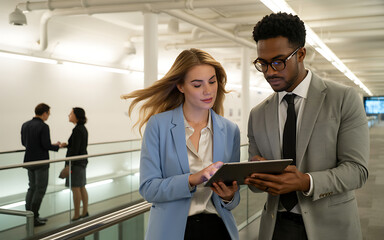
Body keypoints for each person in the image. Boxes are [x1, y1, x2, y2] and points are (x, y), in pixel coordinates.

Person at [244, 12, 369, 240]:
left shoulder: (343, 99)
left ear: (301, 54)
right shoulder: (258, 114)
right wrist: (256, 175)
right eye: (262, 63)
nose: (270, 72)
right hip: (275, 227)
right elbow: (253, 185)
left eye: (278, 62)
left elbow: (357, 171)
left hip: (331, 227)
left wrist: (305, 182)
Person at [121, 48, 241, 240]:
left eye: (212, 81)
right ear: (180, 86)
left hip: (218, 230)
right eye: (197, 85)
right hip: (171, 231)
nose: (208, 90)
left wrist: (228, 196)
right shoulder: (158, 125)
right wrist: (192, 179)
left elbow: (233, 199)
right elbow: (149, 189)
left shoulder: (230, 130)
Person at [21, 103, 60, 227]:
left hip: (29, 160)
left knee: (31, 188)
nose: (48, 116)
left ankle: (30, 216)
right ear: (44, 113)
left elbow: (24, 143)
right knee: (40, 189)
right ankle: (34, 216)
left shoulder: (25, 125)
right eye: (48, 113)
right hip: (41, 162)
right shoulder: (44, 126)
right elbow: (46, 145)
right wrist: (57, 146)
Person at [60, 107, 89, 221]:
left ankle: (77, 215)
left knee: (75, 188)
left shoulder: (77, 130)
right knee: (81, 187)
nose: (69, 115)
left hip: (76, 163)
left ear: (76, 116)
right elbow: (76, 145)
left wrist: (68, 164)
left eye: (71, 114)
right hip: (81, 162)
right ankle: (84, 211)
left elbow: (75, 149)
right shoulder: (82, 129)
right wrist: (67, 145)